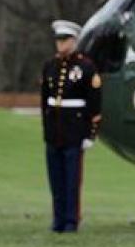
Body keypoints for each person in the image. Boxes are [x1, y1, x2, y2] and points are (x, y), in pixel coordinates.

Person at [40, 20, 102, 233]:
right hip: (54, 132)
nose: (60, 44)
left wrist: (90, 134)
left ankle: (71, 221)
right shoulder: (50, 66)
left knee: (72, 181)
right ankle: (57, 220)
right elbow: (45, 102)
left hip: (75, 132)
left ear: (74, 41)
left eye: (64, 39)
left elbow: (94, 102)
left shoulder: (86, 67)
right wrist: (46, 130)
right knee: (56, 180)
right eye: (58, 39)